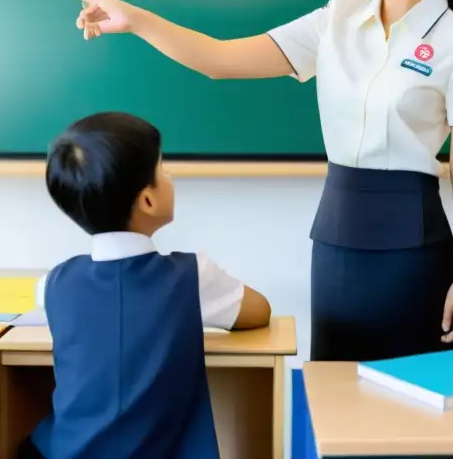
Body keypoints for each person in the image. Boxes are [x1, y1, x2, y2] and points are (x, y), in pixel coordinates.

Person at [49, 0, 453, 362]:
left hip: (415, 247)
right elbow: (221, 59)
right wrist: (137, 21)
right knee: (333, 397)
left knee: (413, 398)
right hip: (336, 235)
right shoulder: (337, 20)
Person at [23, 112, 270, 459]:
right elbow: (259, 311)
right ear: (148, 200)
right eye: (162, 171)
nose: (169, 177)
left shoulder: (52, 285)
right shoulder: (192, 277)